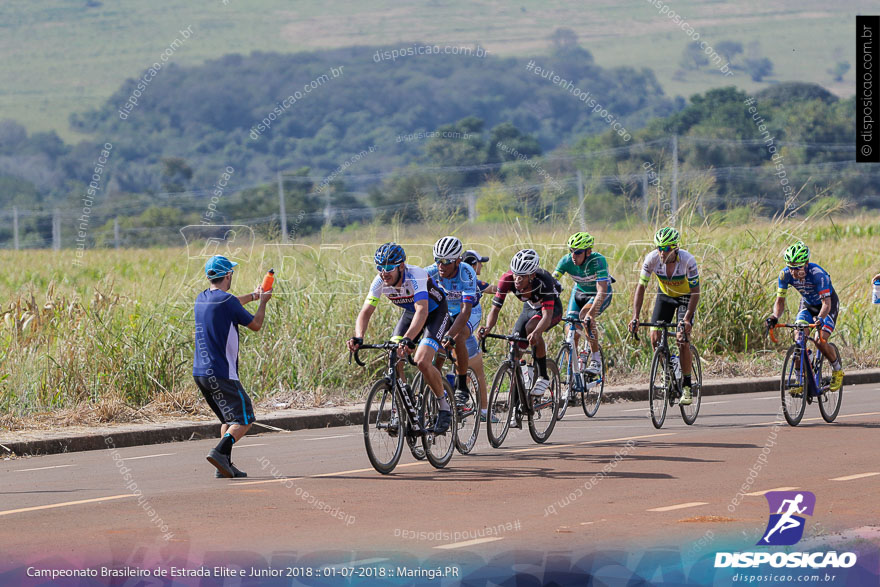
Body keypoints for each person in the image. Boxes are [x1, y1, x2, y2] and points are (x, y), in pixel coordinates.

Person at [347, 243, 453, 434]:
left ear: (401, 266)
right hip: (411, 314)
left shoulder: (416, 275)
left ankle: (444, 406)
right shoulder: (379, 282)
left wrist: (408, 339)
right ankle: (402, 406)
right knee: (393, 356)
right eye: (379, 268)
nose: (383, 273)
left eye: (388, 268)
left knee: (421, 361)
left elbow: (422, 310)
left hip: (435, 313)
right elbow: (366, 312)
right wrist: (358, 337)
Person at [194, 255, 271, 479]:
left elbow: (232, 302)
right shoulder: (226, 302)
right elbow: (255, 325)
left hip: (201, 373)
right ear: (228, 275)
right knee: (245, 418)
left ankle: (224, 465)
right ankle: (219, 452)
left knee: (228, 420)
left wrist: (255, 295)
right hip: (222, 373)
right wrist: (263, 302)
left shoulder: (202, 298)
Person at [628, 227, 700, 406]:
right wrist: (635, 316)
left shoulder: (688, 260)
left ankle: (686, 386)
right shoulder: (652, 259)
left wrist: (687, 319)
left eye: (666, 248)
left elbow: (696, 293)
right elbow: (641, 288)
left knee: (682, 339)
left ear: (675, 248)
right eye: (659, 247)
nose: (662, 252)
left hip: (685, 298)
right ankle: (670, 367)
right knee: (654, 338)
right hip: (665, 297)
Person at [479, 249, 563, 400]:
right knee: (515, 349)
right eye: (515, 274)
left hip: (550, 309)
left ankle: (543, 376)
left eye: (522, 276)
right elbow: (495, 309)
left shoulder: (544, 281)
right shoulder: (507, 279)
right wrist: (488, 327)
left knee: (532, 328)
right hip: (530, 307)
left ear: (532, 275)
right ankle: (518, 402)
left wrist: (537, 333)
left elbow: (547, 315)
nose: (517, 279)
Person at [765, 242, 844, 393]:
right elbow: (780, 301)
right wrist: (775, 316)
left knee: (819, 340)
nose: (793, 272)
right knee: (798, 339)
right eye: (790, 267)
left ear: (806, 263)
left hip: (827, 306)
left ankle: (837, 369)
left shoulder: (818, 274)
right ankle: (800, 380)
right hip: (807, 305)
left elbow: (826, 303)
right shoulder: (784, 275)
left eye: (797, 267)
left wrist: (820, 318)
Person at [425, 237, 477, 411]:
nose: (441, 265)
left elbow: (465, 311)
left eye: (447, 262)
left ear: (458, 261)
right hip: (445, 311)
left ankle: (462, 386)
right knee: (435, 346)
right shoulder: (431, 271)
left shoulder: (466, 272)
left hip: (468, 311)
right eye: (438, 260)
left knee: (458, 337)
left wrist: (450, 335)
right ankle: (433, 388)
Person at [553, 232, 613, 376]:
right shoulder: (566, 261)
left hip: (599, 294)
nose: (573, 255)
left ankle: (596, 360)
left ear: (588, 252)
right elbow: (552, 282)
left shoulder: (598, 261)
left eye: (578, 252)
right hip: (579, 292)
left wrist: (591, 314)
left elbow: (601, 290)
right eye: (571, 251)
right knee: (570, 331)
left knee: (586, 317)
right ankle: (573, 375)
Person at [462, 249, 495, 421]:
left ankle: (458, 398)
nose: (481, 265)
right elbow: (497, 290)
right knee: (478, 370)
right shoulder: (475, 283)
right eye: (480, 262)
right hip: (464, 330)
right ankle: (484, 412)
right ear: (473, 265)